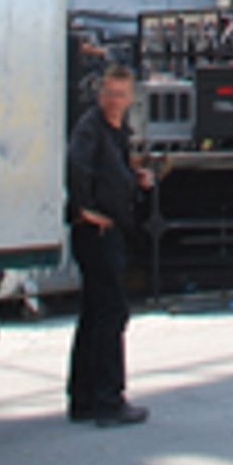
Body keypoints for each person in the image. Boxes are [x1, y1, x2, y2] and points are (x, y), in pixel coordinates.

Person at [66, 64, 153, 426]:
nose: (114, 100)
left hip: (112, 226)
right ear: (99, 94)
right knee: (111, 312)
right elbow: (75, 166)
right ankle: (108, 398)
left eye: (120, 94)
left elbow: (111, 171)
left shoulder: (116, 132)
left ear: (130, 98)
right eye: (109, 94)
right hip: (98, 232)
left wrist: (136, 179)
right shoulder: (91, 128)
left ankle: (84, 397)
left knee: (95, 312)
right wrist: (84, 210)